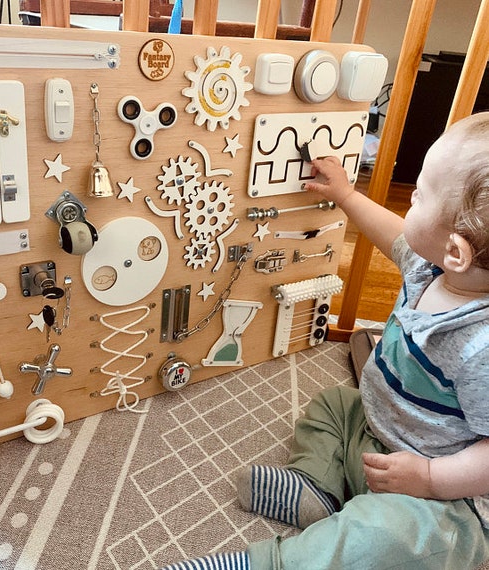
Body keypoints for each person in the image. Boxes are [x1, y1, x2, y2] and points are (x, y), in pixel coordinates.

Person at [160, 112, 489, 570]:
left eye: (420, 193)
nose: (409, 197)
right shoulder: (429, 266)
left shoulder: (482, 347)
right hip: (379, 431)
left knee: (381, 537)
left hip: (446, 493)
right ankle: (316, 485)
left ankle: (273, 563)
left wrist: (432, 479)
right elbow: (393, 233)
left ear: (456, 251)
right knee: (334, 403)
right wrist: (346, 195)